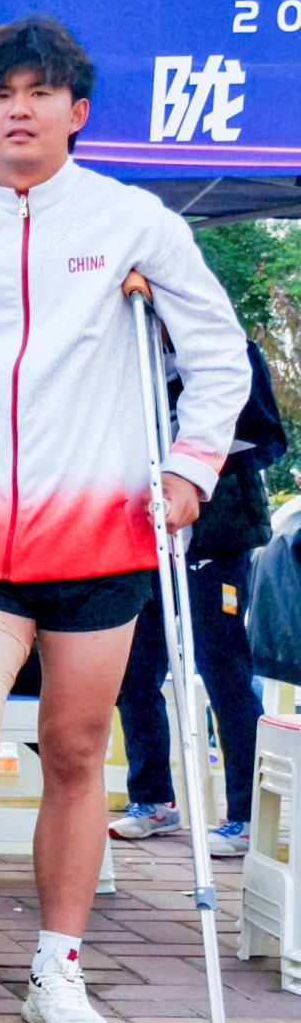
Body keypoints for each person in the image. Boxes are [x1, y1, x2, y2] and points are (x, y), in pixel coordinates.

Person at [0, 16, 249, 1023]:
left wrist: (188, 467)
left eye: (40, 93)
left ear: (76, 112)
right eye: (1, 95)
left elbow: (216, 354)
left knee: (78, 751)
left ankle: (58, 967)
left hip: (99, 536)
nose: (19, 110)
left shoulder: (133, 223)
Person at [111, 340, 286, 854]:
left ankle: (247, 815)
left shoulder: (229, 351)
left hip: (216, 535)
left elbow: (266, 438)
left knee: (223, 667)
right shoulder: (128, 355)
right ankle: (152, 799)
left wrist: (192, 463)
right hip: (142, 537)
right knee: (136, 668)